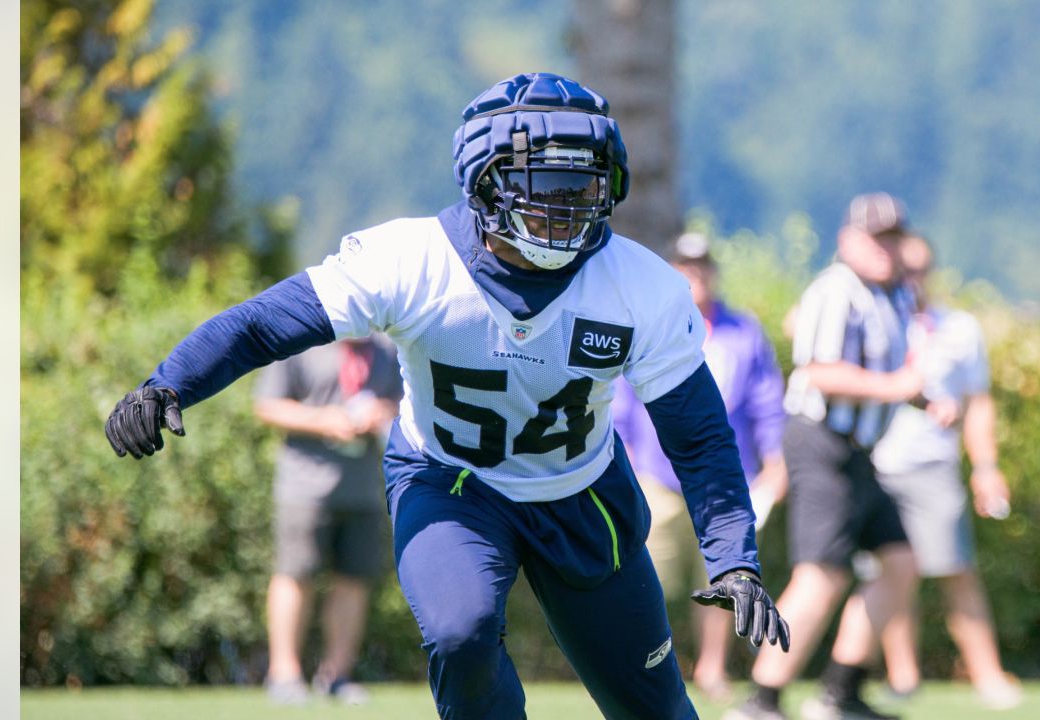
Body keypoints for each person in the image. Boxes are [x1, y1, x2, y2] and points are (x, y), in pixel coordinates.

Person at [103, 72, 789, 720]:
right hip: (452, 481)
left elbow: (698, 434)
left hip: (581, 491)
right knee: (461, 636)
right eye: (546, 186)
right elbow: (265, 323)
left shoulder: (639, 286)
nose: (567, 209)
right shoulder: (411, 262)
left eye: (584, 189)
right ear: (486, 186)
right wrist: (170, 381)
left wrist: (733, 556)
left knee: (656, 709)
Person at [728, 193, 923, 720]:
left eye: (892, 237)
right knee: (822, 574)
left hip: (860, 452)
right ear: (849, 240)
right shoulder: (836, 291)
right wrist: (899, 386)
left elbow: (891, 374)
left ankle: (841, 690)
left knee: (901, 564)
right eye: (875, 237)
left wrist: (922, 396)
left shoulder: (896, 293)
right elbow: (820, 373)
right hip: (821, 442)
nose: (885, 248)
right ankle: (762, 698)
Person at [833, 235, 1022, 710]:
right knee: (891, 574)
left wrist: (986, 467)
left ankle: (988, 675)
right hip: (873, 462)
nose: (910, 279)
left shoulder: (959, 328)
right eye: (904, 269)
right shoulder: (867, 315)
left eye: (919, 270)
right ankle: (902, 676)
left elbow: (977, 405)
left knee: (956, 571)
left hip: (933, 465)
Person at [611, 231, 788, 702]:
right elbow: (622, 398)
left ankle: (711, 667)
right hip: (655, 473)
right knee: (645, 575)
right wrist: (623, 454)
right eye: (687, 267)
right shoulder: (655, 322)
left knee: (721, 579)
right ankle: (645, 662)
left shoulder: (743, 331)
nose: (696, 276)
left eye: (703, 267)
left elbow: (766, 402)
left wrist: (775, 461)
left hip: (723, 480)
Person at [253, 336, 402, 705]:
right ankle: (284, 675)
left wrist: (382, 412)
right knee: (295, 574)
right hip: (305, 486)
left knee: (354, 580)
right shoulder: (300, 342)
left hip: (365, 487)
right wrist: (323, 420)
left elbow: (407, 403)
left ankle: (337, 675)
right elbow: (266, 405)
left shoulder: (388, 349)